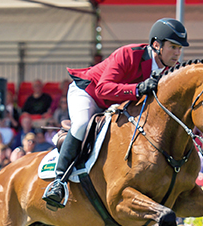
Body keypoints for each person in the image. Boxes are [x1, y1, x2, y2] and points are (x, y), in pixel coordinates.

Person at [43, 17, 189, 209]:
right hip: (88, 93)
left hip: (114, 106)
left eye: (180, 48)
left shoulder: (169, 72)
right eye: (173, 47)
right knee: (80, 125)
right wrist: (138, 89)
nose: (177, 53)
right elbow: (103, 89)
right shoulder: (129, 54)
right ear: (156, 45)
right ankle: (58, 183)